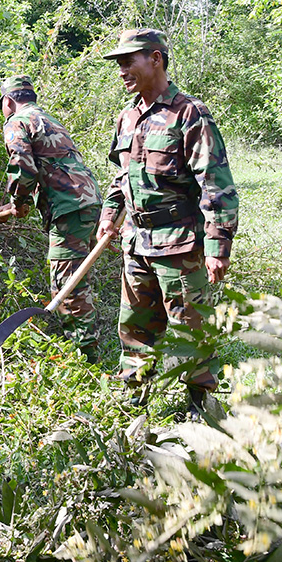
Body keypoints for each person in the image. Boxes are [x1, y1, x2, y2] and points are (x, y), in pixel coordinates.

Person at [97, 29, 239, 414]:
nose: (122, 70)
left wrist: (218, 247)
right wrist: (110, 216)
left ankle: (201, 405)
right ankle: (133, 401)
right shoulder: (126, 117)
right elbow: (121, 177)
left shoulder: (189, 113)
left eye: (129, 61)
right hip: (136, 242)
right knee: (135, 327)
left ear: (156, 59)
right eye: (119, 63)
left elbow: (215, 183)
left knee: (190, 329)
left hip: (179, 244)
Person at [0, 76, 104, 360]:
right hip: (87, 200)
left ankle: (87, 359)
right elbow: (47, 168)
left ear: (8, 101)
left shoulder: (16, 121)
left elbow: (23, 166)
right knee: (76, 278)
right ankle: (88, 346)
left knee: (65, 284)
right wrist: (15, 205)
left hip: (69, 207)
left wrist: (18, 204)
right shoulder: (47, 119)